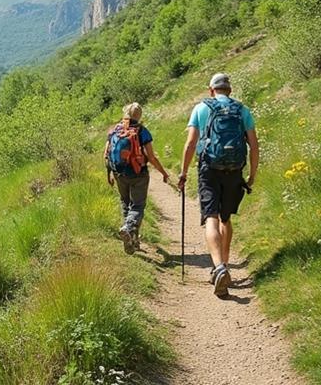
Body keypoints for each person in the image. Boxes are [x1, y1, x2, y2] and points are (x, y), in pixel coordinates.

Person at [177, 73, 259, 297]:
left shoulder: (201, 108)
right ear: (229, 90)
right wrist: (251, 175)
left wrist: (183, 173)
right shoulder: (242, 110)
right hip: (234, 171)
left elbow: (191, 143)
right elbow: (253, 144)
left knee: (211, 218)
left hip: (209, 170)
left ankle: (219, 267)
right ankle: (225, 264)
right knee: (226, 219)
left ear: (211, 90)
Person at [105, 102, 171, 255]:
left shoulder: (115, 129)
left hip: (119, 173)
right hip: (138, 174)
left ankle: (133, 240)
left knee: (126, 203)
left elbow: (107, 154)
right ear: (139, 115)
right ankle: (128, 229)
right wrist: (163, 173)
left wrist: (109, 173)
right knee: (138, 206)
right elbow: (152, 157)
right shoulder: (142, 131)